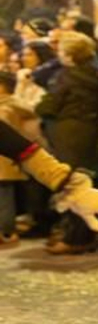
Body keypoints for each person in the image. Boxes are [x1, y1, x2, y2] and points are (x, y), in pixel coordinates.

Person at [35, 33, 98, 254]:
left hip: (66, 134)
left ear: (70, 54)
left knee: (70, 183)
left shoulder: (66, 77)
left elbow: (48, 105)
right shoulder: (95, 75)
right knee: (84, 180)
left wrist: (42, 108)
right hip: (88, 133)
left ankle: (75, 237)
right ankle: (82, 233)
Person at [0, 71, 40, 246]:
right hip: (8, 160)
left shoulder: (6, 108)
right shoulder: (14, 105)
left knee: (4, 198)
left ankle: (6, 232)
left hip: (4, 160)